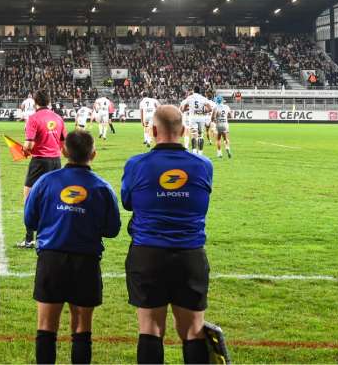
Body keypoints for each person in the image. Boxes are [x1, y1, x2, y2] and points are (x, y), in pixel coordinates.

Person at [120, 106, 214, 364]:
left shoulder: (136, 164)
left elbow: (127, 202)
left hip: (147, 253)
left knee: (150, 329)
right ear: (183, 131)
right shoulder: (204, 165)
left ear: (152, 130)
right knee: (193, 330)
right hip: (190, 255)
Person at [24, 130, 122, 364]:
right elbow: (112, 229)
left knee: (46, 326)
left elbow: (30, 220)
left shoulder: (45, 182)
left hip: (51, 260)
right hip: (86, 262)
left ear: (64, 151)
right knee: (81, 328)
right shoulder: (102, 188)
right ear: (93, 154)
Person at [16, 91, 66, 249]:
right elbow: (64, 143)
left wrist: (23, 150)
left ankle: (29, 239)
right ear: (49, 101)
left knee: (29, 198)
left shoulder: (34, 118)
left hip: (39, 161)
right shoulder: (58, 118)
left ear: (35, 102)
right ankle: (50, 237)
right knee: (52, 199)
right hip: (56, 161)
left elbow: (29, 145)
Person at [179, 87, 215, 156]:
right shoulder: (203, 98)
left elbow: (183, 108)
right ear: (199, 91)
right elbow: (210, 108)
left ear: (194, 91)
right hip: (201, 117)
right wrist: (204, 111)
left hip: (193, 117)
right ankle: (200, 153)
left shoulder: (190, 98)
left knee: (193, 134)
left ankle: (194, 151)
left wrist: (188, 109)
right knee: (200, 135)